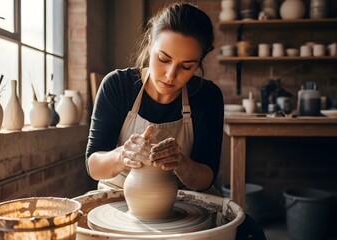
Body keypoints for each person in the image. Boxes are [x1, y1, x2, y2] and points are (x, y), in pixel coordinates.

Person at [85, 2, 266, 239]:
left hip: (184, 200)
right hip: (120, 196)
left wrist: (181, 162)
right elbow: (94, 166)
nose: (171, 75)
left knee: (251, 233)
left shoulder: (207, 96)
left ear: (200, 61)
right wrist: (122, 156)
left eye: (186, 66)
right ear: (150, 43)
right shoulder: (117, 86)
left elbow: (205, 178)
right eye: (163, 59)